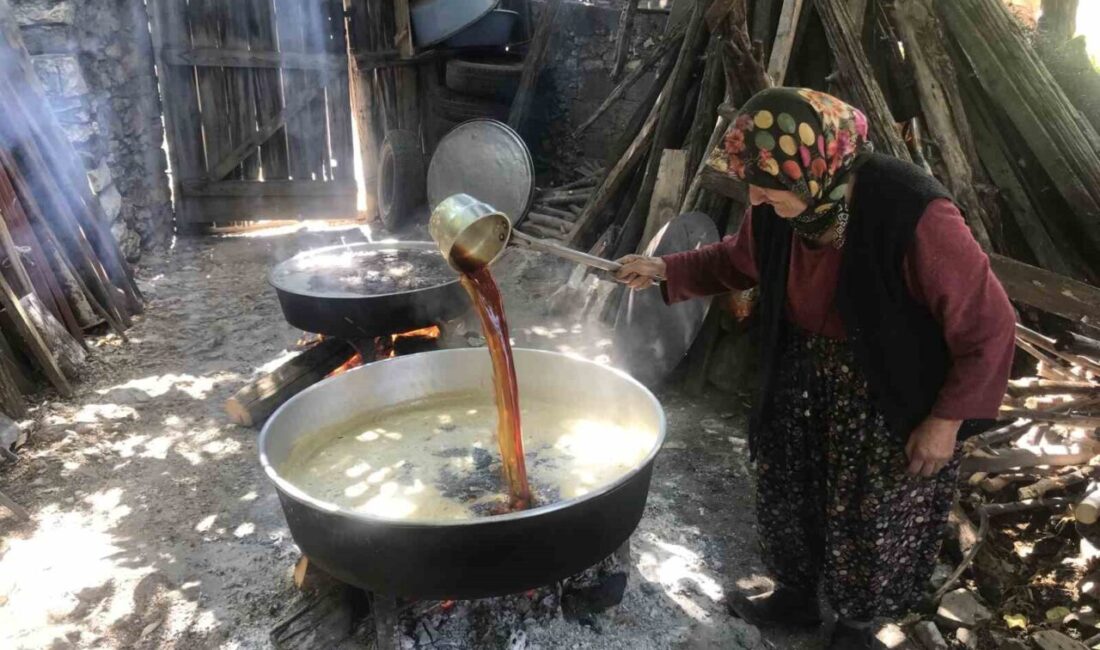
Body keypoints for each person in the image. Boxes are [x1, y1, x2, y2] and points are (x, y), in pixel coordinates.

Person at [615, 87, 1015, 649]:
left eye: (767, 184)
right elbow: (737, 261)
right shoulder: (786, 200)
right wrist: (662, 267)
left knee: (869, 515)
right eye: (752, 179)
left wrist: (946, 420)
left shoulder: (913, 213)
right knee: (786, 486)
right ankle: (795, 597)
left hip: (886, 387)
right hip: (802, 366)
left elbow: (989, 326)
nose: (754, 195)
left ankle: (855, 626)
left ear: (818, 167)